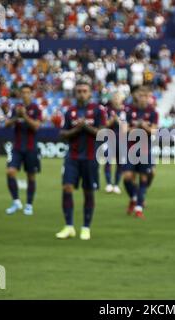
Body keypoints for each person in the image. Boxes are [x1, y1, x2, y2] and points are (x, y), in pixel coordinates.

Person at [56, 78, 106, 240]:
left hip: (91, 158)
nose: (82, 94)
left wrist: (86, 127)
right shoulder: (69, 111)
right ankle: (69, 226)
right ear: (75, 93)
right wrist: (77, 129)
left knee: (88, 192)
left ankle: (86, 227)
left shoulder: (98, 110)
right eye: (79, 91)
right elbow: (63, 134)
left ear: (90, 93)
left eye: (85, 91)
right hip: (72, 157)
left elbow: (103, 134)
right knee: (67, 188)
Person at [4, 84, 42, 216]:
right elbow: (6, 124)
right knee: (10, 172)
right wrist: (16, 117)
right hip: (17, 147)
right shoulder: (16, 108)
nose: (25, 95)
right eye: (23, 92)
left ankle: (29, 205)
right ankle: (16, 201)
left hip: (31, 148)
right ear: (20, 94)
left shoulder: (35, 108)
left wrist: (25, 116)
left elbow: (36, 126)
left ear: (32, 94)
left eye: (28, 92)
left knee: (31, 176)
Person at [122, 86, 158, 219]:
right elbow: (125, 130)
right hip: (130, 148)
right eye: (140, 95)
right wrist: (136, 126)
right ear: (136, 96)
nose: (143, 98)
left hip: (144, 149)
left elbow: (154, 131)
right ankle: (134, 197)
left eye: (145, 95)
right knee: (127, 177)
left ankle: (138, 207)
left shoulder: (153, 112)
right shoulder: (128, 110)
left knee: (144, 177)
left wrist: (144, 126)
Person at [104, 92, 126, 194]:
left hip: (121, 140)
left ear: (121, 99)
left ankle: (116, 185)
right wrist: (113, 120)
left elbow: (126, 126)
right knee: (108, 162)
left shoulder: (125, 110)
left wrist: (119, 121)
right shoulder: (108, 110)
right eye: (115, 97)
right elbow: (105, 124)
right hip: (110, 139)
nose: (116, 99)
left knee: (120, 163)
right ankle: (109, 184)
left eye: (118, 97)